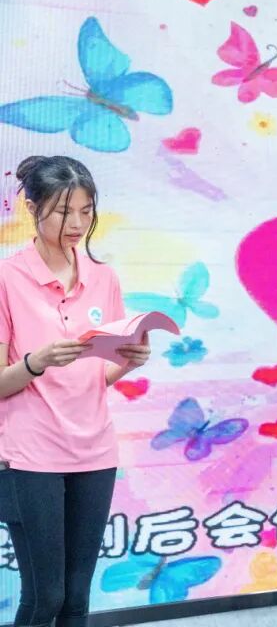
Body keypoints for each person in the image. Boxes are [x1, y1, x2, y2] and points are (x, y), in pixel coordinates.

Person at [0, 155, 152, 627]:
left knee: (76, 600)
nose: (77, 224)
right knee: (46, 596)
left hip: (94, 451)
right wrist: (36, 362)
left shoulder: (104, 278)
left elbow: (93, 378)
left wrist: (128, 362)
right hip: (30, 456)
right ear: (33, 208)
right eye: (64, 212)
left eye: (86, 211)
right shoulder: (6, 278)